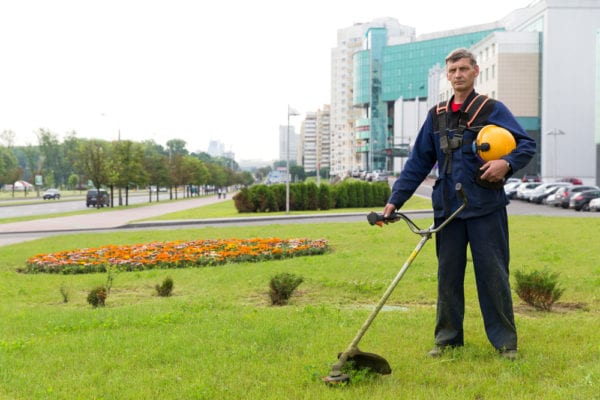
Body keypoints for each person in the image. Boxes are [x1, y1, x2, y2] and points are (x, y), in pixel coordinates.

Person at [383, 48, 536, 360]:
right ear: (447, 75)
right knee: (448, 277)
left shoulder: (492, 109)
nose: (458, 75)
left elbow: (526, 144)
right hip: (447, 211)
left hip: (485, 207)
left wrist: (505, 164)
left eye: (464, 69)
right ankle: (447, 340)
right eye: (452, 71)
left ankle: (506, 344)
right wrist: (394, 201)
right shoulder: (436, 116)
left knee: (493, 275)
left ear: (475, 71)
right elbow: (418, 162)